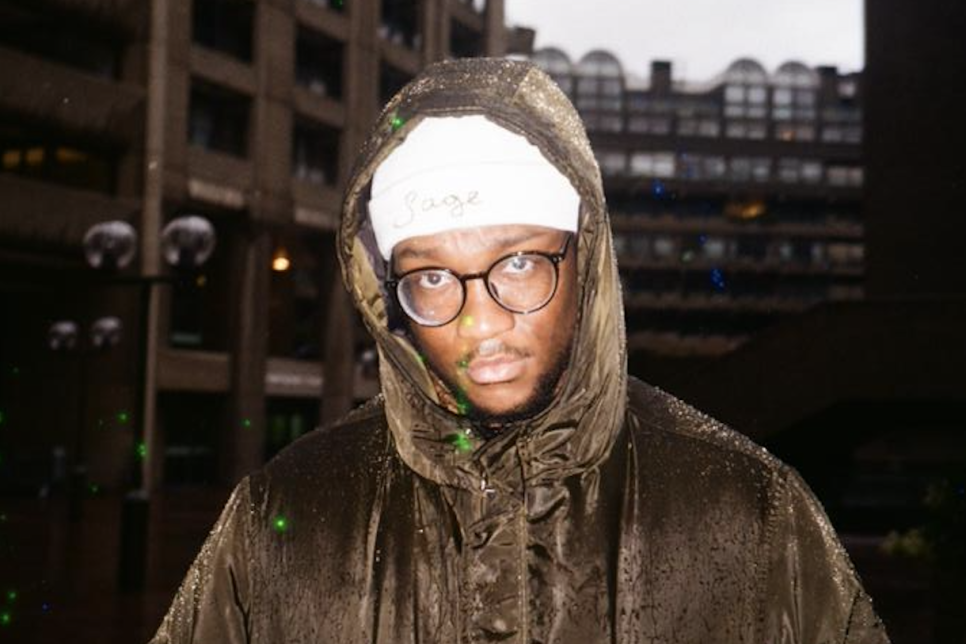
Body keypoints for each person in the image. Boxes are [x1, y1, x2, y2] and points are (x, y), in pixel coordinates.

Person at [149, 58, 889, 644]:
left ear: (583, 256)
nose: (478, 324)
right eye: (433, 277)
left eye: (518, 264)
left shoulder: (750, 509)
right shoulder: (285, 511)